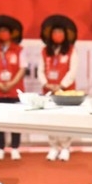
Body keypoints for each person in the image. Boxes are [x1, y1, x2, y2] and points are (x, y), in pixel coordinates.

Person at [0, 15, 27, 160]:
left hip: (15, 90)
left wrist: (11, 83)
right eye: (0, 31)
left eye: (5, 31)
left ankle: (15, 147)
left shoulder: (19, 50)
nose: (3, 33)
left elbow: (22, 68)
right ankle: (0, 147)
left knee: (16, 120)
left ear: (11, 33)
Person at [37, 15, 79, 162]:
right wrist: (46, 84)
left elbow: (73, 70)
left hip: (66, 92)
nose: (57, 35)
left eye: (60, 32)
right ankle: (53, 147)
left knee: (65, 119)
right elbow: (40, 70)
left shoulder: (71, 50)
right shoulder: (45, 51)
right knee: (50, 119)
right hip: (48, 91)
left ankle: (65, 147)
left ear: (65, 35)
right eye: (55, 32)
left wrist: (61, 85)